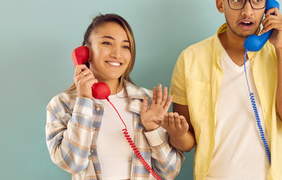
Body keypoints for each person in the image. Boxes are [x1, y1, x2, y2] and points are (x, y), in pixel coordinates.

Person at [163, 0, 282, 179]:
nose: (247, 11)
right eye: (237, 0)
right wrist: (176, 134)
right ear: (220, 4)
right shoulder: (190, 59)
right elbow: (187, 142)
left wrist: (281, 50)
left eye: (257, 0)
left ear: (269, 5)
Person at [46, 13, 184, 180]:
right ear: (84, 52)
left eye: (125, 47)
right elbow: (72, 163)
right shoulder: (62, 105)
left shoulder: (146, 101)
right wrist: (84, 99)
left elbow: (169, 172)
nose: (117, 54)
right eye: (107, 43)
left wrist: (153, 130)